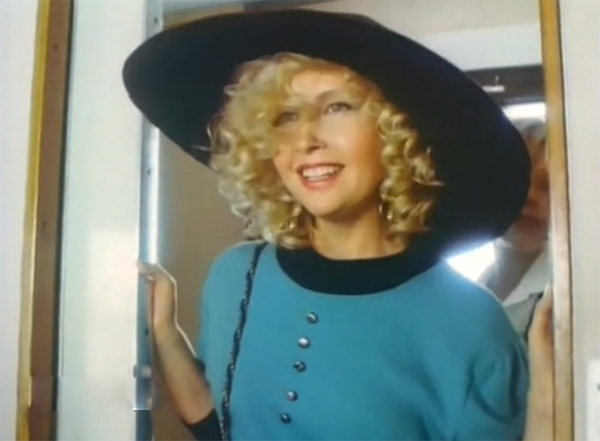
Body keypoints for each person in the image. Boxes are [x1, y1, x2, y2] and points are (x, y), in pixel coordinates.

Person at [125, 9, 536, 441]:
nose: (306, 140)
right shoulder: (235, 274)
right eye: (286, 117)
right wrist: (165, 332)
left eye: (336, 107)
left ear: (397, 133)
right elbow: (219, 426)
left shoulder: (472, 325)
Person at [478, 119, 550, 341]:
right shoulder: (468, 294)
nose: (530, 197)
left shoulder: (574, 296)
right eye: (517, 181)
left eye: (546, 185)